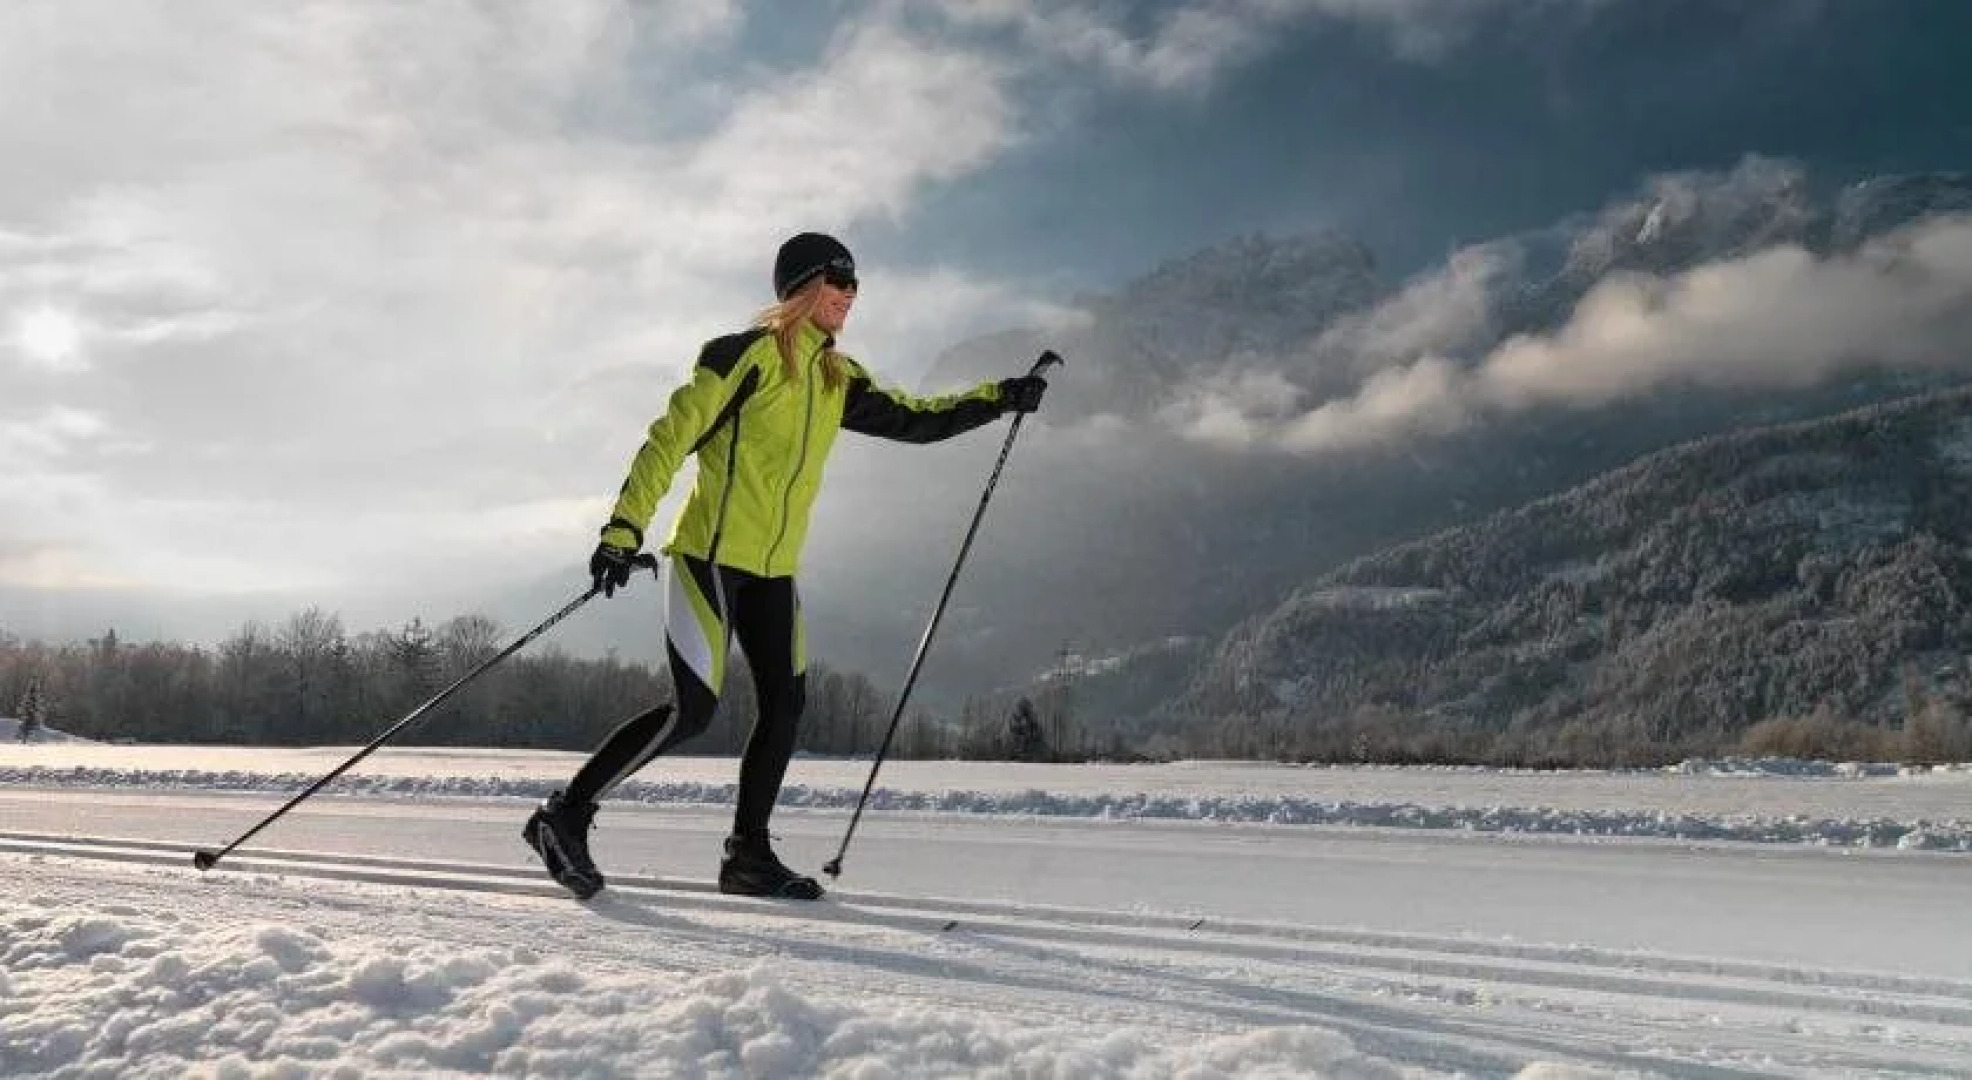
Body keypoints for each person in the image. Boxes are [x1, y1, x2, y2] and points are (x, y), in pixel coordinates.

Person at [524, 232, 1048, 901]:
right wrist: (625, 528)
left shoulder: (837, 377)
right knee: (693, 709)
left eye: (856, 284)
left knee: (786, 704)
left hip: (773, 570)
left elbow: (917, 420)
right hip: (708, 558)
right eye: (840, 281)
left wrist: (1000, 396)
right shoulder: (741, 356)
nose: (852, 295)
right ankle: (563, 816)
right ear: (803, 286)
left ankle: (747, 856)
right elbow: (670, 438)